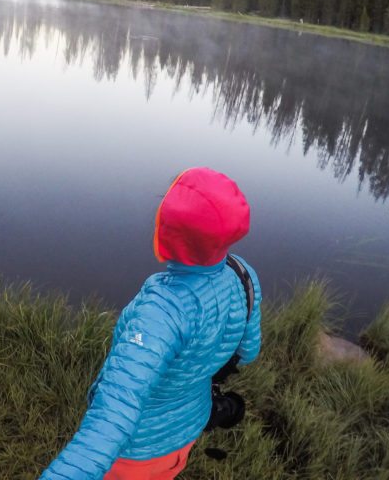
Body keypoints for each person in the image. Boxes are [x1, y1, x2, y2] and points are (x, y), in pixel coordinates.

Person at [39, 167, 262, 480]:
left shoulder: (161, 310)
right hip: (188, 428)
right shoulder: (243, 275)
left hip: (136, 454)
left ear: (170, 234)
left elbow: (113, 417)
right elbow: (248, 351)